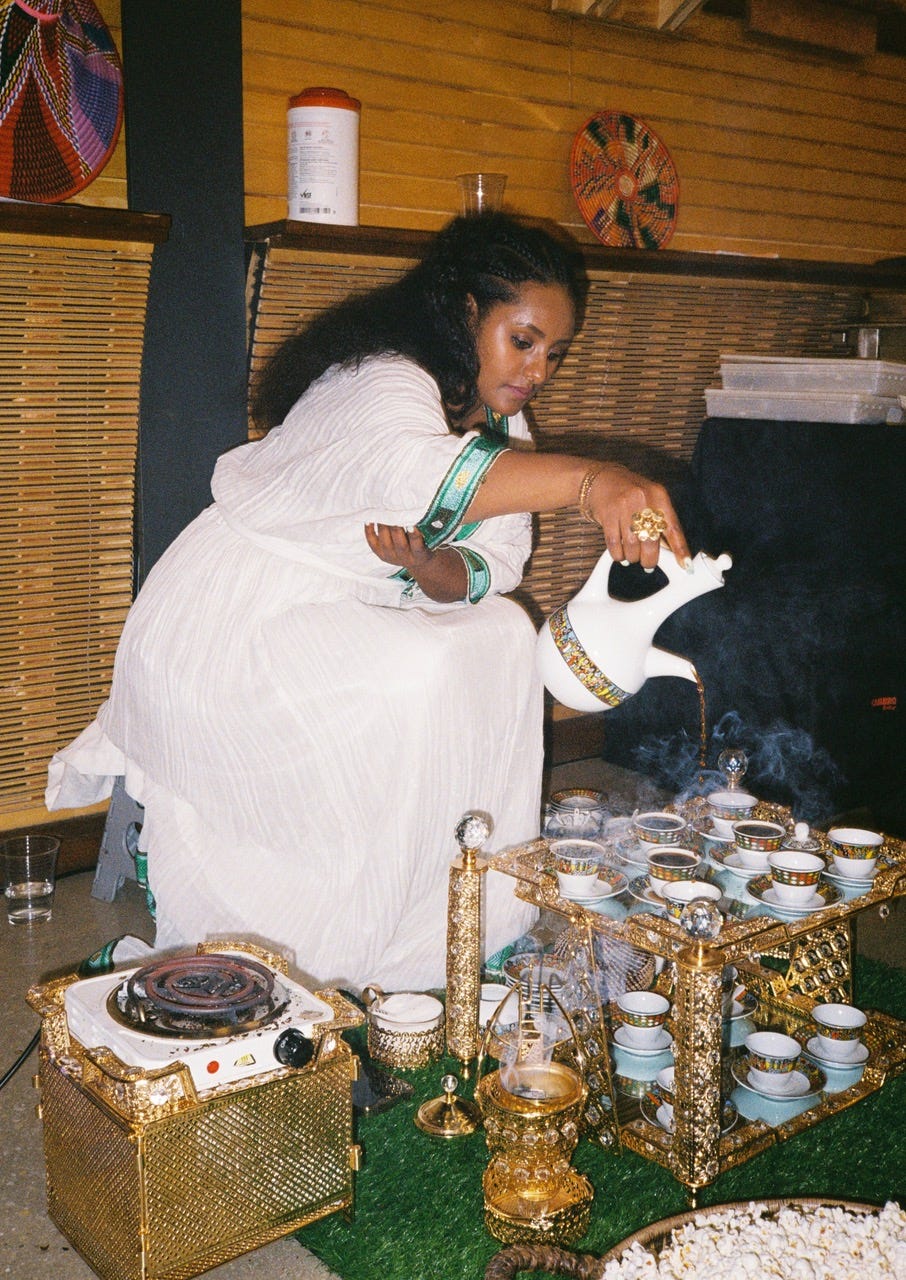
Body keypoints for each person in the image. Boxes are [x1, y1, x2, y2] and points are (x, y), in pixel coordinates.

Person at [46, 211, 689, 992]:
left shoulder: (500, 410)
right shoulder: (381, 375)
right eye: (523, 340)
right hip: (235, 621)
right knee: (412, 676)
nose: (539, 369)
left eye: (554, 352)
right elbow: (410, 470)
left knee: (499, 639)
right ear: (463, 310)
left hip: (353, 608)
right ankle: (320, 937)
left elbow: (496, 559)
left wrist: (431, 569)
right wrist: (595, 483)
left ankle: (437, 929)